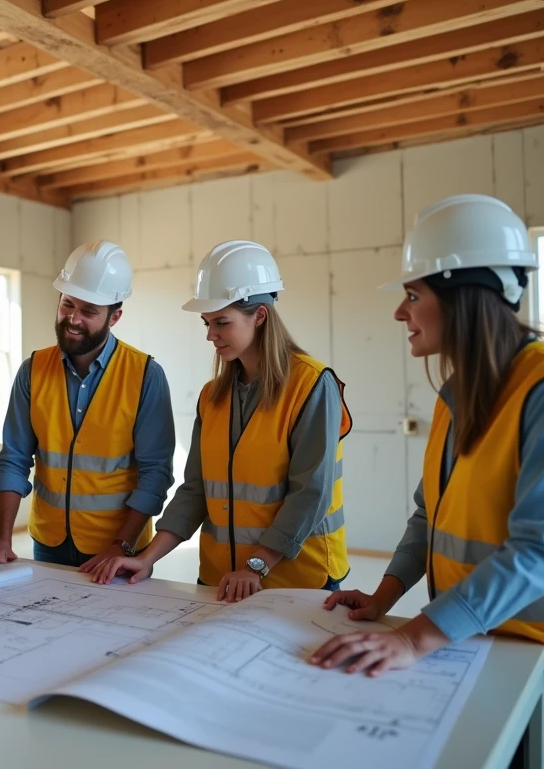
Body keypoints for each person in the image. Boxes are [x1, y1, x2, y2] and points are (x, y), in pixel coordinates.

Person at [309, 194, 544, 769]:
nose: (399, 312)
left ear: (463, 298)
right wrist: (385, 599)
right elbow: (428, 513)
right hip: (483, 635)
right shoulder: (458, 394)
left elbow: (538, 552)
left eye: (413, 296)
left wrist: (414, 638)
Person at [91, 240, 351, 602]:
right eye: (207, 323)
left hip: (297, 581)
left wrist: (258, 564)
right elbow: (195, 491)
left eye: (221, 323)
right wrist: (146, 558)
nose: (210, 335)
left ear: (259, 316)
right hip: (221, 580)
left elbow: (311, 493)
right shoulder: (213, 396)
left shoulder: (311, 385)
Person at [0, 240, 175, 572]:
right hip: (48, 543)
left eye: (88, 311)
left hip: (118, 549)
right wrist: (2, 538)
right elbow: (13, 459)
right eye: (67, 305)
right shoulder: (33, 370)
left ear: (114, 317)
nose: (73, 319)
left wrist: (122, 546)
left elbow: (155, 475)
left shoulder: (145, 376)